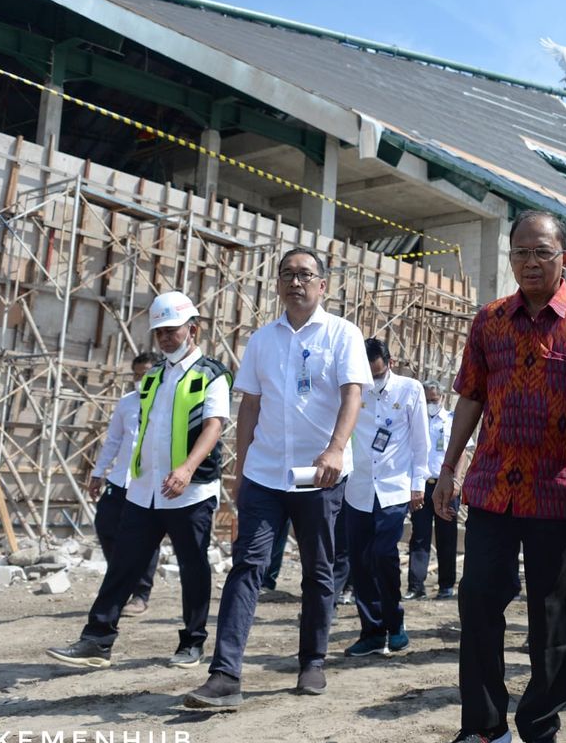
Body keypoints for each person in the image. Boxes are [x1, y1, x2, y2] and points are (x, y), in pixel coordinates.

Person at [434, 210, 566, 743]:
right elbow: (471, 398)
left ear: (565, 259)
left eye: (542, 253)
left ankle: (541, 732)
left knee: (552, 619)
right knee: (478, 600)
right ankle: (482, 725)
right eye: (521, 253)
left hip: (561, 489)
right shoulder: (488, 322)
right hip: (491, 486)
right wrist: (448, 467)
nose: (530, 262)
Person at [185, 248, 370, 706]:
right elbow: (249, 405)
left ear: (323, 285)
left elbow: (352, 397)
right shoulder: (262, 340)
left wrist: (335, 450)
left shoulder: (342, 334)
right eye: (287, 274)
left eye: (306, 275)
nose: (296, 282)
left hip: (319, 475)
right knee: (247, 566)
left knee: (318, 570)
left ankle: (312, 661)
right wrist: (241, 469)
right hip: (265, 473)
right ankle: (225, 675)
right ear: (278, 283)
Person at [47, 291, 231, 670]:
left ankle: (192, 642)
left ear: (192, 329)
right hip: (145, 491)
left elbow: (214, 427)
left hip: (190, 491)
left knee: (193, 567)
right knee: (123, 566)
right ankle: (96, 640)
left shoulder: (211, 374)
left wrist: (186, 469)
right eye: (160, 331)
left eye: (172, 330)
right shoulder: (152, 380)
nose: (165, 337)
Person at [343, 337, 429, 657]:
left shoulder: (410, 390)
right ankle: (372, 631)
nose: (373, 381)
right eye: (368, 375)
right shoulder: (353, 389)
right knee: (361, 561)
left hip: (394, 487)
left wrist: (418, 483)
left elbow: (421, 441)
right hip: (358, 486)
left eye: (378, 375)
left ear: (389, 364)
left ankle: (396, 624)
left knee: (383, 554)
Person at [87, 351, 159, 617]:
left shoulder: (166, 403)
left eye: (147, 374)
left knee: (147, 539)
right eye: (137, 375)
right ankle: (121, 578)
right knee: (105, 525)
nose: (141, 380)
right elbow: (114, 440)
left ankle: (140, 594)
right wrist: (98, 472)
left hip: (148, 482)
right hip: (120, 479)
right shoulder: (127, 403)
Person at [406, 379, 467, 601]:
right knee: (419, 536)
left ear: (441, 398)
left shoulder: (451, 421)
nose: (431, 404)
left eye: (434, 399)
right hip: (422, 487)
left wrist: (457, 481)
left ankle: (446, 585)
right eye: (427, 400)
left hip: (446, 488)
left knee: (447, 537)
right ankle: (415, 586)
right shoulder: (416, 421)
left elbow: (462, 454)